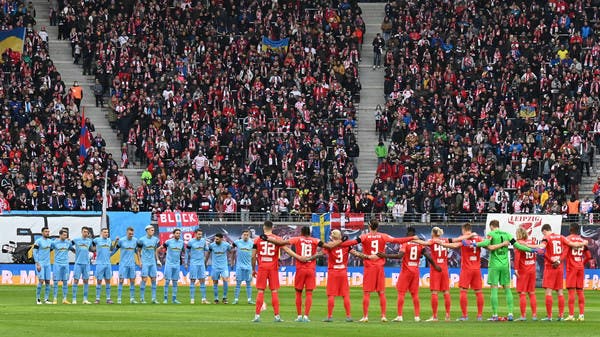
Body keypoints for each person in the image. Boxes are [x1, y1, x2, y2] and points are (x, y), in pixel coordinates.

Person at [264, 226, 338, 322]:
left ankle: (299, 316)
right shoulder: (315, 240)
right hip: (311, 269)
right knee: (309, 293)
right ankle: (306, 316)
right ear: (309, 233)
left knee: (298, 292)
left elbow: (281, 243)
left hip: (300, 269)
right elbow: (328, 247)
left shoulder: (297, 239)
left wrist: (267, 238)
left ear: (302, 232)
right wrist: (340, 241)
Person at [475, 219, 540, 321]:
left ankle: (495, 315)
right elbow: (518, 246)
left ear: (492, 226)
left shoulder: (491, 233)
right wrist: (532, 250)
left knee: (494, 288)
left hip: (494, 265)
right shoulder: (508, 234)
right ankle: (510, 314)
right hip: (505, 265)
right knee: (507, 289)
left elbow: (486, 242)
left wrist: (474, 244)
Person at [357, 219, 419, 323]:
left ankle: (365, 316)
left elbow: (352, 243)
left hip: (369, 267)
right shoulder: (384, 236)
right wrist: (412, 238)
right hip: (380, 267)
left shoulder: (364, 236)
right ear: (377, 227)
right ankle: (383, 316)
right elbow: (397, 241)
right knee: (381, 293)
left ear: (369, 226)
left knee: (367, 293)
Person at [378, 226, 439, 322]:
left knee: (401, 293)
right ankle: (417, 316)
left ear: (409, 233)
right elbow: (428, 256)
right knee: (415, 295)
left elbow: (399, 256)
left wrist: (384, 255)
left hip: (406, 271)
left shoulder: (405, 242)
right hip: (415, 271)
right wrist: (435, 266)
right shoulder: (420, 243)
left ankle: (399, 316)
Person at [538, 223, 587, 321]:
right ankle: (561, 316)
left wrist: (548, 256)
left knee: (549, 291)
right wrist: (584, 243)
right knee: (560, 291)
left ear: (544, 231)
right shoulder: (561, 237)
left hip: (551, 266)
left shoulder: (547, 237)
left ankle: (549, 316)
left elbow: (541, 249)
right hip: (560, 267)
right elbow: (574, 245)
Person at [436, 223, 484, 321]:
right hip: (477, 269)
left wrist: (442, 244)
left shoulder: (463, 238)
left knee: (463, 291)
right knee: (478, 292)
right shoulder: (479, 238)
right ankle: (479, 316)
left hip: (467, 269)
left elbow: (454, 245)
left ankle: (465, 315)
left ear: (464, 229)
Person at [322, 229, 362, 322]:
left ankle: (329, 316)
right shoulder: (346, 245)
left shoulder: (329, 246)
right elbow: (356, 253)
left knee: (331, 295)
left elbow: (322, 253)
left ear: (332, 236)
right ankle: (348, 316)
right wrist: (366, 257)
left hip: (333, 271)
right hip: (343, 271)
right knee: (345, 295)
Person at [252, 220, 285, 322]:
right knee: (274, 291)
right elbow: (283, 251)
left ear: (263, 227)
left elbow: (253, 256)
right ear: (273, 227)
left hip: (262, 267)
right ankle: (277, 316)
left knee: (261, 291)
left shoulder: (257, 240)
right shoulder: (278, 239)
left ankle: (257, 316)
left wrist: (253, 269)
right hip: (273, 267)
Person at [564, 223, 594, 321]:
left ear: (570, 229)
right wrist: (581, 262)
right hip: (580, 267)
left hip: (571, 268)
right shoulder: (582, 240)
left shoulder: (567, 239)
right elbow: (589, 256)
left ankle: (571, 315)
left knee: (571, 291)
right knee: (580, 291)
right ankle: (581, 315)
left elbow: (564, 253)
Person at [425, 226, 452, 321]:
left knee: (434, 292)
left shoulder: (432, 241)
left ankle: (435, 316)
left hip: (435, 268)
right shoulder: (445, 240)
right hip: (444, 268)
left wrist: (414, 240)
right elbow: (456, 240)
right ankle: (448, 315)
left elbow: (424, 243)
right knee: (446, 291)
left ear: (433, 233)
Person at [514, 226, 539, 321]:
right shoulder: (532, 242)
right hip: (532, 269)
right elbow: (535, 256)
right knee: (532, 293)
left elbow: (517, 257)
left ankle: (523, 316)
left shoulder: (518, 243)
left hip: (523, 270)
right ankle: (534, 315)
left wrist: (516, 269)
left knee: (522, 293)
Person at [137, 225, 161, 304]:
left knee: (154, 279)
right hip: (145, 262)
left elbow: (155, 251)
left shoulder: (155, 240)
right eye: (151, 230)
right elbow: (138, 251)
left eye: (153, 230)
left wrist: (158, 260)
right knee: (144, 279)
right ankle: (142, 298)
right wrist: (140, 262)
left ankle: (154, 299)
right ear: (147, 230)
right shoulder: (142, 240)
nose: (153, 231)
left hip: (152, 262)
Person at [206, 233, 232, 304]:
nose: (215, 240)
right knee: (215, 282)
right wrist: (205, 262)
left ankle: (224, 297)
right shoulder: (212, 245)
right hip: (215, 267)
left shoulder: (226, 245)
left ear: (221, 239)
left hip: (224, 266)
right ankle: (216, 298)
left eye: (217, 239)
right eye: (215, 239)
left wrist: (231, 261)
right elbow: (208, 253)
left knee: (225, 279)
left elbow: (231, 251)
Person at [115, 227, 138, 304]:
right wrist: (109, 256)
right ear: (126, 233)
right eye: (129, 233)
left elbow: (136, 251)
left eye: (132, 234)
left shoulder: (135, 240)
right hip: (123, 264)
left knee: (132, 281)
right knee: (121, 280)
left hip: (132, 264)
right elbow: (115, 249)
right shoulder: (121, 241)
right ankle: (119, 299)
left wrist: (140, 261)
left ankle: (132, 299)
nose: (131, 235)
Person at [162, 228, 185, 304]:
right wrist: (161, 259)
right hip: (169, 264)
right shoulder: (168, 242)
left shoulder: (181, 242)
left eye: (179, 233)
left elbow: (182, 252)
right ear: (173, 234)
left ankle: (174, 299)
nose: (178, 234)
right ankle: (165, 299)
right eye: (177, 233)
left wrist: (182, 261)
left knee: (175, 282)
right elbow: (161, 248)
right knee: (167, 281)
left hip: (177, 264)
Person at [186, 227, 209, 304]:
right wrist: (186, 262)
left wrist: (207, 245)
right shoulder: (191, 242)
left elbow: (206, 249)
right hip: (193, 263)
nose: (200, 236)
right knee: (193, 280)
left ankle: (203, 299)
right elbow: (187, 252)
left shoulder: (203, 241)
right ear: (195, 234)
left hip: (201, 263)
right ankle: (192, 299)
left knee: (202, 280)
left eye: (201, 234)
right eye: (199, 234)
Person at [92, 228, 114, 304]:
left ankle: (108, 298)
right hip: (99, 263)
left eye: (107, 232)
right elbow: (91, 244)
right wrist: (93, 250)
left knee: (108, 281)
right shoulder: (97, 240)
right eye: (105, 232)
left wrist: (116, 241)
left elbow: (111, 249)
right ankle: (97, 298)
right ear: (101, 233)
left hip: (108, 263)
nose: (106, 233)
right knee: (99, 281)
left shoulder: (109, 240)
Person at [71, 227, 93, 304]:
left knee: (86, 281)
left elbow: (92, 249)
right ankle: (74, 299)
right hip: (78, 263)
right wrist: (74, 251)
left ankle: (85, 299)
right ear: (81, 232)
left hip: (86, 264)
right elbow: (69, 245)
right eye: (84, 231)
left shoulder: (89, 241)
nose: (85, 233)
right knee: (76, 280)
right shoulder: (76, 240)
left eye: (87, 232)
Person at [232, 230, 255, 305]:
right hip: (239, 267)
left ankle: (249, 299)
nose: (245, 236)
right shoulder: (237, 242)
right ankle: (236, 299)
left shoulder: (252, 243)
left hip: (248, 267)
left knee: (248, 283)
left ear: (249, 235)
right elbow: (231, 249)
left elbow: (254, 255)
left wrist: (253, 268)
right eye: (244, 234)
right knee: (238, 283)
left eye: (247, 235)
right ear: (242, 235)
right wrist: (232, 261)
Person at [33, 227, 53, 304]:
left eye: (48, 231)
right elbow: (34, 252)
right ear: (42, 233)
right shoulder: (38, 241)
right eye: (46, 231)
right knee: (41, 280)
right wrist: (37, 263)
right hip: (40, 263)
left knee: (48, 281)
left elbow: (54, 247)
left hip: (48, 264)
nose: (47, 233)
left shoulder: (50, 241)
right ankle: (38, 299)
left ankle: (46, 299)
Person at [52, 229, 72, 304]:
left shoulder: (68, 243)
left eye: (66, 235)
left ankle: (64, 299)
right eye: (64, 235)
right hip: (57, 264)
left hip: (66, 264)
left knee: (65, 281)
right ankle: (55, 298)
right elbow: (49, 249)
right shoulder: (54, 242)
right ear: (60, 235)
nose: (65, 236)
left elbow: (72, 249)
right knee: (56, 281)